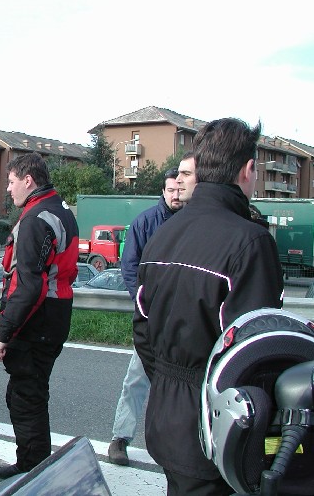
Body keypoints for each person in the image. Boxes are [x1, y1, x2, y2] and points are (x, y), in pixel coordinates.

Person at [133, 118, 284, 495]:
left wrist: (173, 383)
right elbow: (256, 354)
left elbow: (142, 330)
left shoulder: (162, 234)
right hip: (218, 426)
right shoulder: (251, 242)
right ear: (248, 169)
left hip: (165, 417)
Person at [0, 153, 79, 479]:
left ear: (28, 181)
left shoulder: (35, 218)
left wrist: (4, 334)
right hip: (55, 314)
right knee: (30, 392)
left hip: (37, 321)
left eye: (11, 181)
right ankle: (33, 463)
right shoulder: (60, 209)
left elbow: (28, 286)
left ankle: (33, 469)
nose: (8, 188)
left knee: (25, 397)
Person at [108, 167, 182, 466]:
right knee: (137, 379)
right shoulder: (146, 222)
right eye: (171, 190)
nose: (176, 195)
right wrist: (142, 303)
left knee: (186, 383)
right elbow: (129, 267)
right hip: (151, 316)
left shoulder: (197, 222)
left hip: (187, 317)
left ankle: (184, 445)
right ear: (163, 191)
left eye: (180, 189)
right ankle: (120, 438)